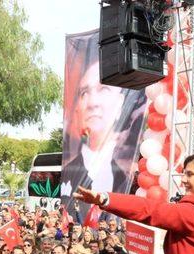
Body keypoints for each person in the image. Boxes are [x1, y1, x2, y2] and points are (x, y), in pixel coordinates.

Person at [60, 34, 146, 219]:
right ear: (77, 110)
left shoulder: (129, 176)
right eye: (84, 93)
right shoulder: (71, 173)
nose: (93, 103)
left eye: (103, 90)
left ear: (120, 103)